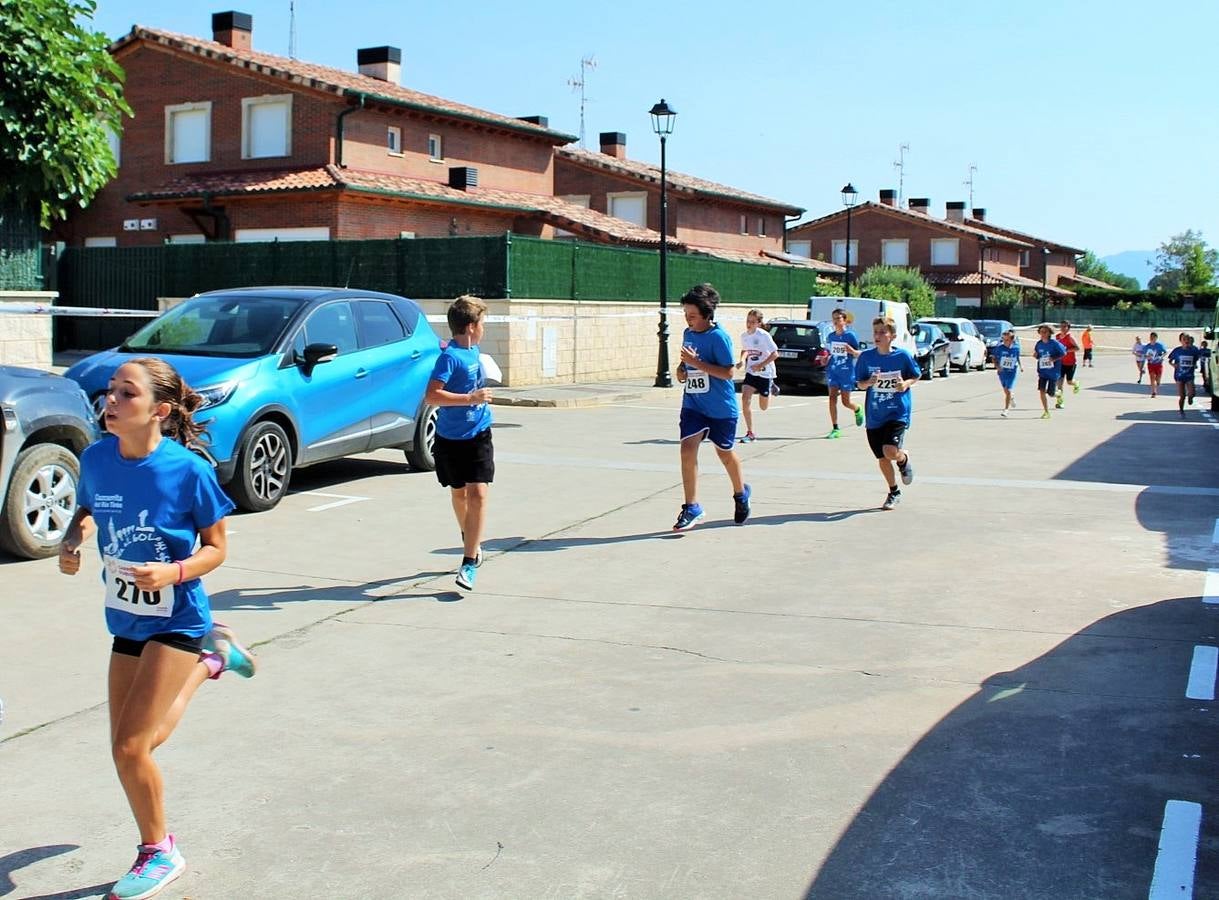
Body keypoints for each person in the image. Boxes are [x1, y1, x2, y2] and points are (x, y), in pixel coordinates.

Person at [58, 357, 255, 900]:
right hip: (126, 617)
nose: (110, 401)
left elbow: (217, 549)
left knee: (130, 748)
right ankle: (213, 661)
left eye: (126, 393)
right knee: (137, 741)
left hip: (177, 615)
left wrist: (173, 571)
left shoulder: (187, 471)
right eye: (110, 392)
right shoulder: (97, 459)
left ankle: (158, 851)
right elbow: (85, 510)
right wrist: (71, 542)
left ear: (160, 411)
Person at [425, 295, 495, 591]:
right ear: (470, 327)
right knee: (458, 494)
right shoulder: (449, 357)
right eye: (482, 324)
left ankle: (469, 561)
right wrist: (470, 398)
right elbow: (431, 396)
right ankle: (470, 538)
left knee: (477, 492)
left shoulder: (474, 350)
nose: (484, 330)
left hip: (479, 432)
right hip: (449, 437)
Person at [673, 283, 751, 530]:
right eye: (686, 314)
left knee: (724, 454)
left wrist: (696, 362)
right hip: (694, 404)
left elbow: (728, 372)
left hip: (721, 408)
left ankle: (741, 494)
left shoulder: (719, 337)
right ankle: (691, 506)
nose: (688, 319)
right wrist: (683, 370)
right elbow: (687, 366)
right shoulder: (689, 334)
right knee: (687, 449)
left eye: (692, 315)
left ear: (707, 314)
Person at [855, 316, 920, 510]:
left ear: (892, 336)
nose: (878, 335)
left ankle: (903, 459)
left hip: (897, 411)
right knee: (882, 458)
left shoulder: (902, 356)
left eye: (882, 332)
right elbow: (859, 383)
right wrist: (868, 383)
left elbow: (915, 374)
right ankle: (894, 491)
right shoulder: (866, 358)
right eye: (875, 332)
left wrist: (905, 384)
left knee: (890, 451)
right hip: (875, 414)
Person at [735, 308, 779, 442]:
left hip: (765, 373)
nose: (749, 324)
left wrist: (761, 365)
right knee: (745, 399)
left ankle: (770, 387)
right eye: (748, 321)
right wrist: (742, 360)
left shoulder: (764, 336)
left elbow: (775, 354)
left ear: (759, 323)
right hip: (751, 372)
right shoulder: (744, 336)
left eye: (753, 322)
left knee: (763, 407)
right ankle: (750, 433)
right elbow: (745, 350)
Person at [823, 308, 864, 439]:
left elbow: (858, 354)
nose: (836, 321)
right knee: (831, 398)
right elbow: (829, 352)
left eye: (838, 318)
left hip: (846, 372)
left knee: (845, 402)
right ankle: (835, 428)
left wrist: (850, 350)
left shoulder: (850, 336)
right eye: (834, 318)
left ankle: (857, 409)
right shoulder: (831, 336)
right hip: (833, 370)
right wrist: (825, 358)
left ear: (844, 320)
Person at [1033, 325, 1066, 419]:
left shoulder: (1054, 343)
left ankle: (1058, 394)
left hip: (1053, 371)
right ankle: (1046, 412)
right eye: (1041, 332)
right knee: (1042, 391)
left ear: (1049, 333)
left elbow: (1063, 353)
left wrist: (1054, 359)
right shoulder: (1039, 344)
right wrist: (1036, 356)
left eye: (1045, 332)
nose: (1043, 334)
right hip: (1042, 371)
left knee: (1051, 393)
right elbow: (1038, 354)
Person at [1168, 333, 1202, 416]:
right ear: (1181, 341)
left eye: (1187, 339)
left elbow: (1196, 359)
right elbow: (1170, 360)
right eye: (1184, 339)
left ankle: (1190, 398)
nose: (1186, 341)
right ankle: (1181, 410)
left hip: (1189, 375)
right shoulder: (1177, 350)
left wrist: (1194, 364)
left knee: (1192, 393)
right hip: (1179, 376)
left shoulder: (1193, 350)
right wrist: (1174, 365)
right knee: (1182, 396)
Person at [992, 329, 1023, 416]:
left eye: (1007, 340)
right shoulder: (999, 348)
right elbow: (994, 358)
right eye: (1003, 340)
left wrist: (1021, 366)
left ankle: (1006, 409)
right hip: (1002, 372)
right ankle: (1011, 397)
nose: (1005, 342)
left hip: (1012, 371)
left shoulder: (1016, 347)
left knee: (1008, 389)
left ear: (1012, 340)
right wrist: (997, 367)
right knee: (1005, 389)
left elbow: (1017, 357)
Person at [1054, 321, 1081, 408]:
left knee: (1069, 382)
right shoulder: (1057, 337)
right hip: (1060, 363)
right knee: (1059, 384)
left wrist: (1066, 350)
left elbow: (1077, 348)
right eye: (1061, 326)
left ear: (1068, 328)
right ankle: (1060, 402)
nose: (1062, 328)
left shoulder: (1070, 337)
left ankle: (1076, 383)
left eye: (1064, 326)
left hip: (1070, 363)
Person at [1144, 331, 1167, 398]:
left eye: (1153, 337)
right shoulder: (1147, 346)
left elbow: (1165, 352)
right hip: (1151, 364)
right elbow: (1145, 355)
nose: (1152, 338)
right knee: (1152, 377)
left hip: (1158, 363)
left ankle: (1158, 381)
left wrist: (1161, 356)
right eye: (1151, 337)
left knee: (1158, 377)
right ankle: (1154, 392)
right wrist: (1147, 357)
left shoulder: (1160, 345)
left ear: (1156, 338)